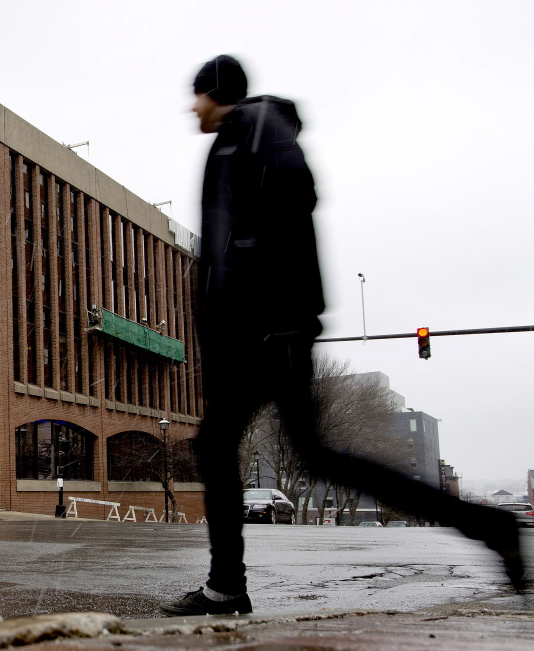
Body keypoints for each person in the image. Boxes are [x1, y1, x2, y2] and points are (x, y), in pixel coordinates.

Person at [160, 55, 524, 617]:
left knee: (227, 446)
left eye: (196, 95)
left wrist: (267, 304)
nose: (192, 107)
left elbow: (289, 205)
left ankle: (227, 587)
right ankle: (488, 525)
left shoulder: (256, 127)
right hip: (261, 330)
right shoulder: (239, 138)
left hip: (269, 330)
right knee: (310, 455)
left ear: (215, 91)